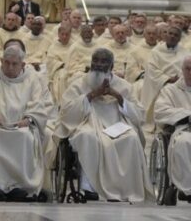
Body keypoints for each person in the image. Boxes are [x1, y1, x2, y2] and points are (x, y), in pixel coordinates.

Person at [57, 48, 149, 202]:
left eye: (103, 61)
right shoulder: (78, 84)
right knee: (87, 137)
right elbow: (66, 112)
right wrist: (92, 94)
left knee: (132, 138)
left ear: (112, 66)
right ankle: (89, 188)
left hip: (116, 124)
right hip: (88, 123)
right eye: (96, 60)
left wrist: (118, 96)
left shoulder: (124, 86)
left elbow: (139, 114)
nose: (98, 64)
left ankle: (123, 189)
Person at [0, 46, 51, 202]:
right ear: (1, 61)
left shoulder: (32, 80)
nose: (10, 67)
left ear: (23, 65)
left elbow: (38, 104)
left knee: (25, 136)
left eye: (14, 64)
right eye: (7, 63)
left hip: (22, 124)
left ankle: (19, 186)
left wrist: (28, 119)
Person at [153, 55, 191, 197]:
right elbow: (160, 111)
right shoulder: (170, 90)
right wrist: (187, 115)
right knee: (185, 142)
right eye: (188, 69)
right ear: (182, 70)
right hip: (184, 129)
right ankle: (187, 188)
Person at [142, 26, 188, 134]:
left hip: (180, 85)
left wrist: (178, 79)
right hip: (160, 84)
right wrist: (167, 79)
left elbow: (187, 68)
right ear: (165, 35)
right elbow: (151, 69)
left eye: (176, 35)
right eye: (170, 33)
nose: (172, 36)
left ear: (180, 38)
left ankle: (180, 120)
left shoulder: (185, 52)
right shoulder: (156, 52)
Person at [45, 23, 73, 103]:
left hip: (72, 70)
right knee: (63, 77)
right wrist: (62, 64)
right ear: (58, 34)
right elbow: (50, 62)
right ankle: (62, 102)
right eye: (62, 34)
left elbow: (77, 60)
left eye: (67, 34)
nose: (64, 36)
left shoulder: (74, 46)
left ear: (70, 35)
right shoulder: (53, 47)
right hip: (58, 70)